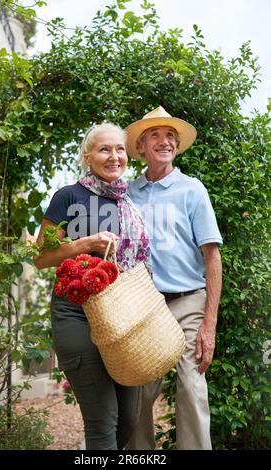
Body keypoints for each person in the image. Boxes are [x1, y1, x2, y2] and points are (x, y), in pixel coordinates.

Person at [33, 123, 150, 450]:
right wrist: (84, 244)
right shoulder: (68, 197)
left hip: (123, 314)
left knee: (129, 417)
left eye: (119, 149)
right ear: (87, 157)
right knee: (102, 419)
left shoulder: (131, 201)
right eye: (104, 149)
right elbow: (41, 258)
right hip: (76, 314)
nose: (114, 156)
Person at [125, 106, 223, 450]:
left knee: (191, 388)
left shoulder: (192, 190)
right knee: (137, 393)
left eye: (170, 136)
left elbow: (212, 257)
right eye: (155, 135)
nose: (164, 142)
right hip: (145, 307)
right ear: (140, 147)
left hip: (188, 301)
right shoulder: (127, 193)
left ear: (177, 146)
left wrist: (208, 324)